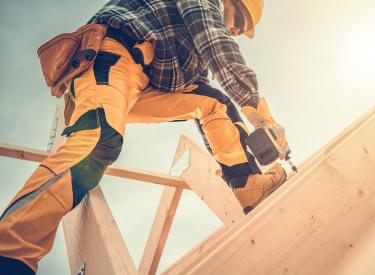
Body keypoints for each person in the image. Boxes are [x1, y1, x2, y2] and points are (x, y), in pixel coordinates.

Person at [0, 0, 290, 273]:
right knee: (97, 141)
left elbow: (201, 82)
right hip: (113, 57)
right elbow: (214, 40)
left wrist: (248, 113)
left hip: (144, 82)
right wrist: (259, 111)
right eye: (238, 18)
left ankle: (247, 184)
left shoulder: (189, 55)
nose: (236, 30)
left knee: (215, 103)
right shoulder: (205, 6)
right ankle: (9, 250)